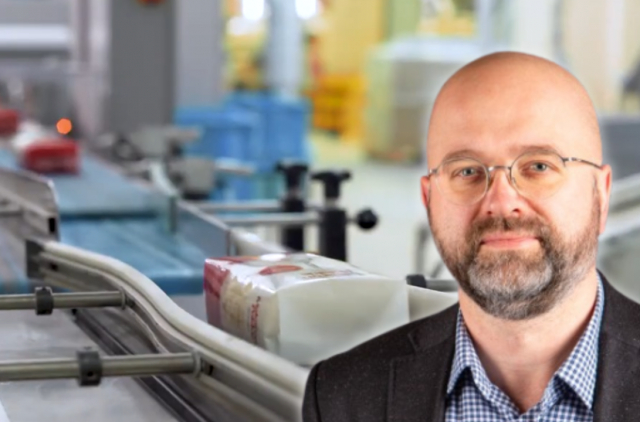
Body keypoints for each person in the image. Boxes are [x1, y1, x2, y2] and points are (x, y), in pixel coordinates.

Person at [302, 52, 640, 422]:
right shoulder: (343, 397)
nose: (501, 202)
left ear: (601, 194)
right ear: (429, 200)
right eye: (466, 171)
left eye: (538, 166)